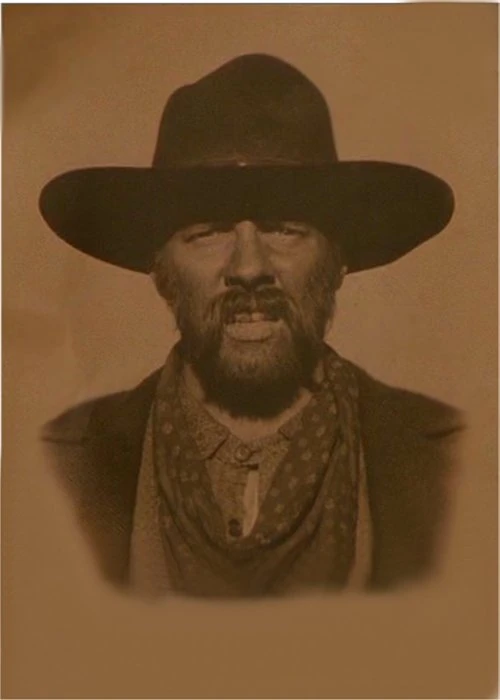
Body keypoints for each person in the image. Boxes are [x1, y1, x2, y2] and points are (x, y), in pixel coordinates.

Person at [39, 53, 464, 598]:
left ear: (337, 260)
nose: (248, 267)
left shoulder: (458, 469)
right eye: (209, 231)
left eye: (283, 228)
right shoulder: (56, 471)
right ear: (162, 271)